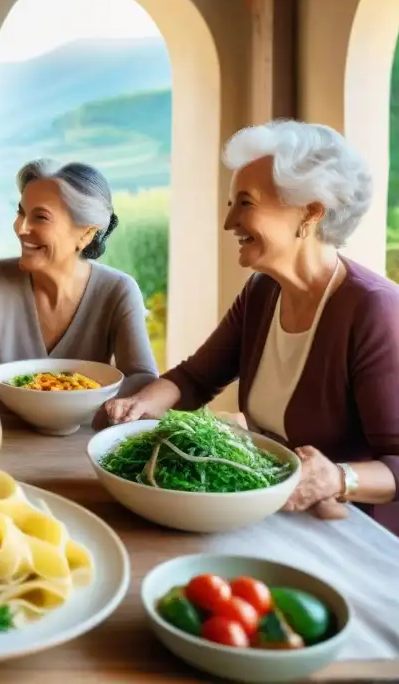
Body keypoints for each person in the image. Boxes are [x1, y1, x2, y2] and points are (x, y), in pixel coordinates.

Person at [102, 120, 399, 534]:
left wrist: (336, 478)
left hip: (351, 532)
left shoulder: (374, 309)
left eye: (245, 203)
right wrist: (141, 404)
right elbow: (195, 377)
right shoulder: (263, 290)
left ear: (311, 211)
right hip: (269, 513)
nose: (229, 223)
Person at [0, 160, 159, 399]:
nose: (21, 228)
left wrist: (39, 384)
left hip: (83, 435)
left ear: (86, 234)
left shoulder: (118, 290)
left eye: (40, 217)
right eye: (21, 212)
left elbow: (143, 380)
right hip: (1, 433)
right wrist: (40, 384)